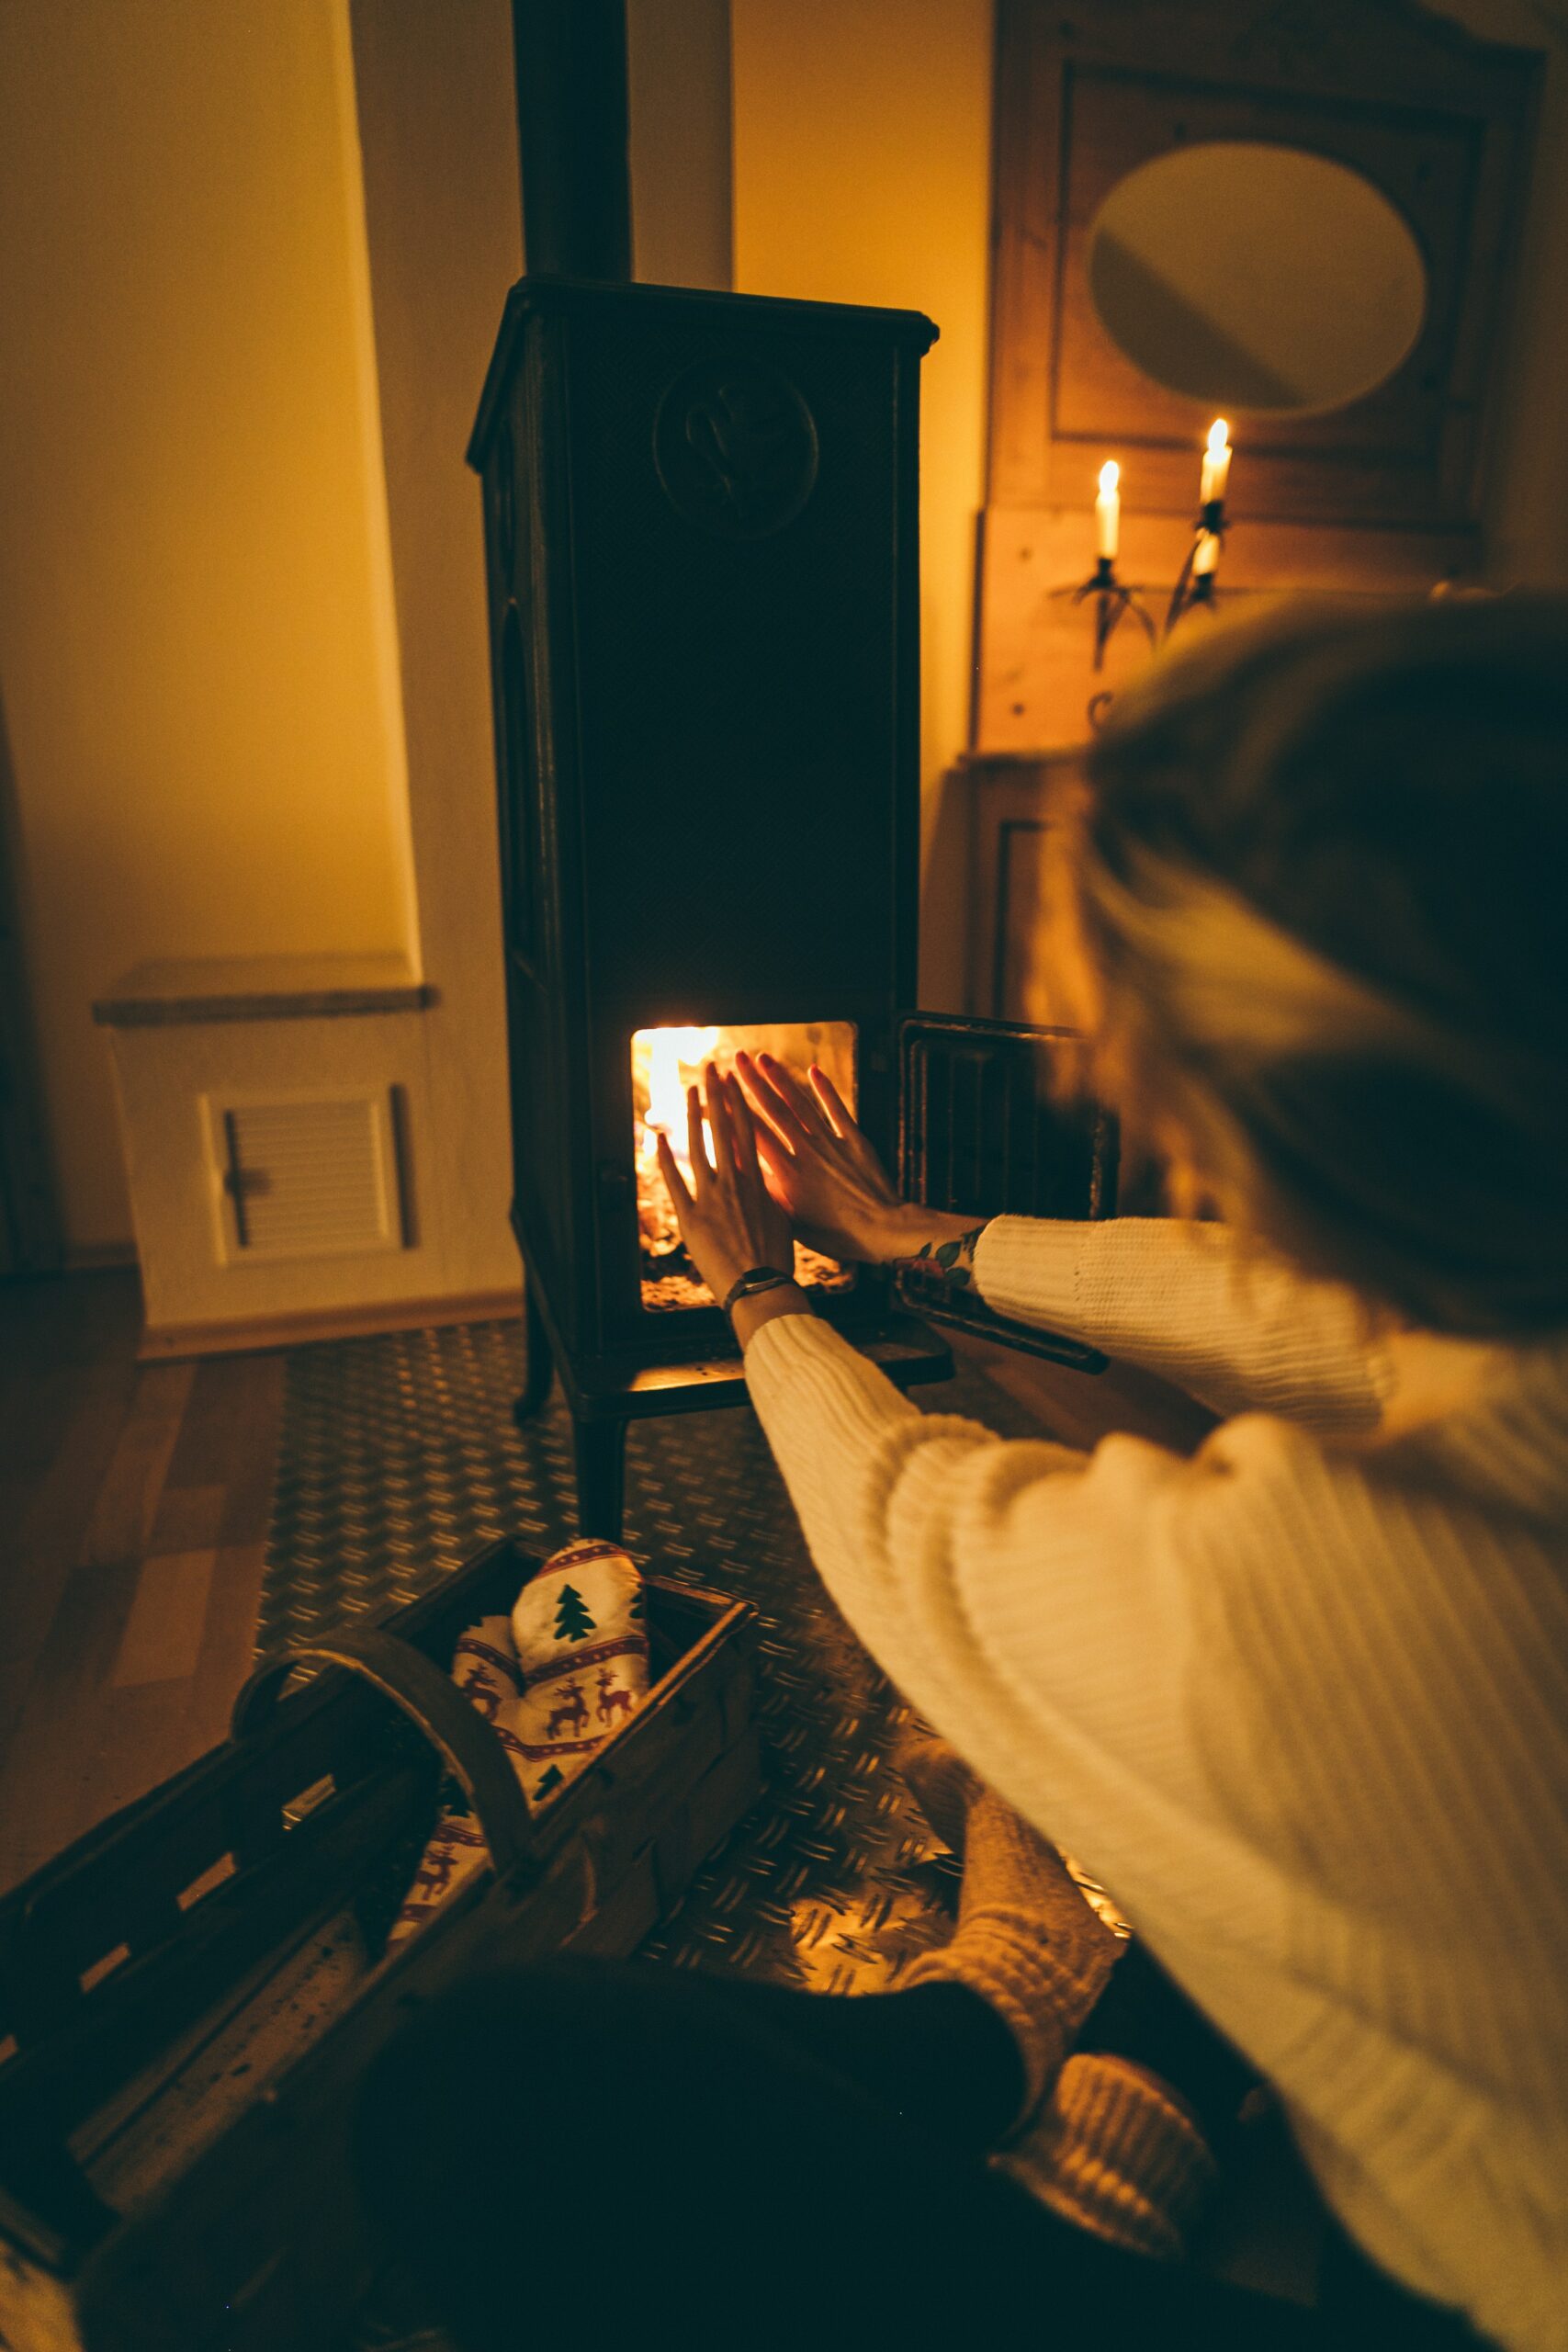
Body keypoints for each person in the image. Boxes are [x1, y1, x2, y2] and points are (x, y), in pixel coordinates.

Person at [357, 599, 1562, 2348]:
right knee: (1262, 1848)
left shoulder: (1324, 1612)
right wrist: (922, 1240)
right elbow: (1307, 1320)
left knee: (468, 2099)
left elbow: (916, 1527)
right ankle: (1018, 2025)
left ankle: (1031, 2060)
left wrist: (760, 1292)